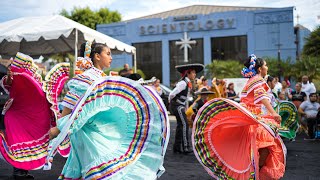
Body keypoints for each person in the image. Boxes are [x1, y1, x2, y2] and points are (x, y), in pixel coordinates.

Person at [48, 42, 167, 179]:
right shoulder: (87, 78)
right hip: (90, 137)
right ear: (97, 56)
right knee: (103, 171)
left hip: (98, 134)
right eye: (108, 54)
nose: (111, 58)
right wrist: (59, 129)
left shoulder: (102, 78)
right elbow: (71, 108)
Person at [192, 54, 286, 179]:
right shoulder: (257, 80)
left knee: (257, 147)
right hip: (253, 118)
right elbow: (261, 98)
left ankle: (254, 173)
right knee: (264, 147)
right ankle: (255, 173)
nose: (267, 67)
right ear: (259, 69)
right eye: (265, 65)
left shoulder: (252, 80)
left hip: (251, 117)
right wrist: (273, 114)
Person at [0, 53, 55, 180]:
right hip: (15, 115)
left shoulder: (32, 79)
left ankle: (22, 172)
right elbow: (7, 84)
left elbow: (41, 95)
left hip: (29, 117)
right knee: (17, 141)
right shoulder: (11, 78)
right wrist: (10, 76)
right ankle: (18, 172)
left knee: (25, 143)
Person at [169, 63, 204, 154]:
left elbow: (186, 99)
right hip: (177, 105)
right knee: (184, 124)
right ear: (188, 73)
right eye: (193, 73)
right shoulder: (183, 83)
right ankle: (185, 147)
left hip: (180, 106)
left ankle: (177, 147)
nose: (195, 74)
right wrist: (173, 103)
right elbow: (172, 94)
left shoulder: (187, 83)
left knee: (181, 125)